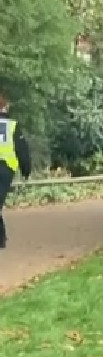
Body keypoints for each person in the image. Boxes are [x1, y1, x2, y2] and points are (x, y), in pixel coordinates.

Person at [0, 92, 36, 250]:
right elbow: (22, 149)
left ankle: (1, 238)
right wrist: (26, 170)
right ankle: (1, 238)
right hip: (6, 168)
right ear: (4, 107)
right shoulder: (12, 125)